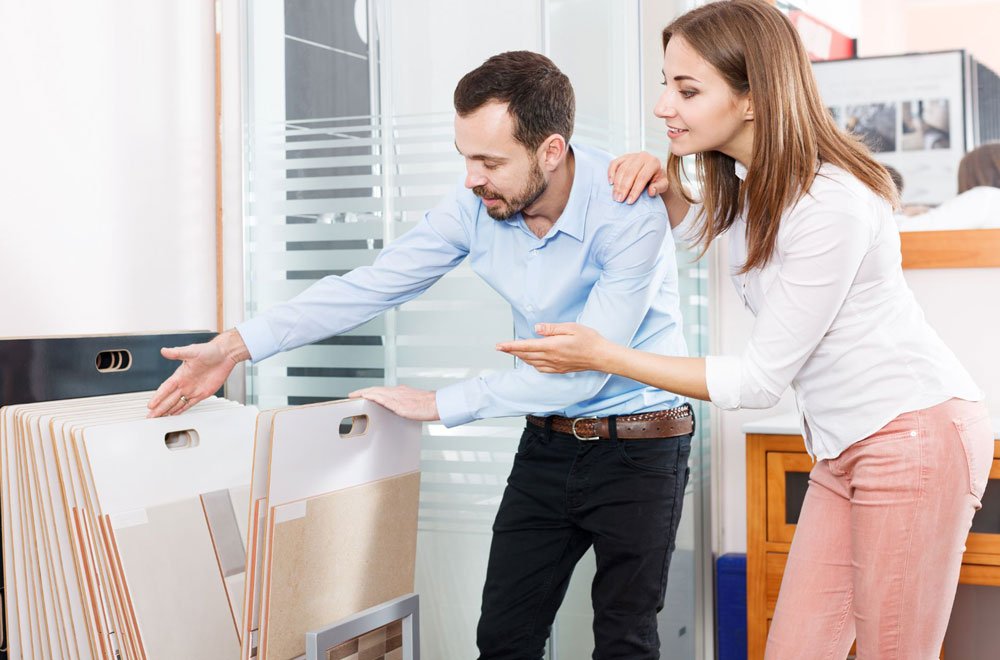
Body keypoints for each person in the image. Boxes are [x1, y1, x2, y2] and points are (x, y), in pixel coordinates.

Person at [148, 51, 694, 659]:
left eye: (489, 161)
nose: (471, 178)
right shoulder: (476, 209)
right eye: (465, 157)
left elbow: (587, 367)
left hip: (644, 447)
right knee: (504, 639)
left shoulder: (630, 212)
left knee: (624, 640)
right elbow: (372, 284)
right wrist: (236, 345)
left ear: (551, 150)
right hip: (547, 442)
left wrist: (441, 403)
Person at [497, 2, 992, 658]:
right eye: (666, 83)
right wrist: (662, 184)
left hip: (914, 438)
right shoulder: (759, 189)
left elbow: (760, 381)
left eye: (688, 89)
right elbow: (703, 229)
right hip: (844, 448)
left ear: (754, 97)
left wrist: (604, 354)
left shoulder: (830, 204)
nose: (663, 105)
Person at [896, 142, 1000, 230]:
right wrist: (930, 213)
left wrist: (903, 214)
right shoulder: (991, 201)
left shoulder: (984, 197)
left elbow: (905, 228)